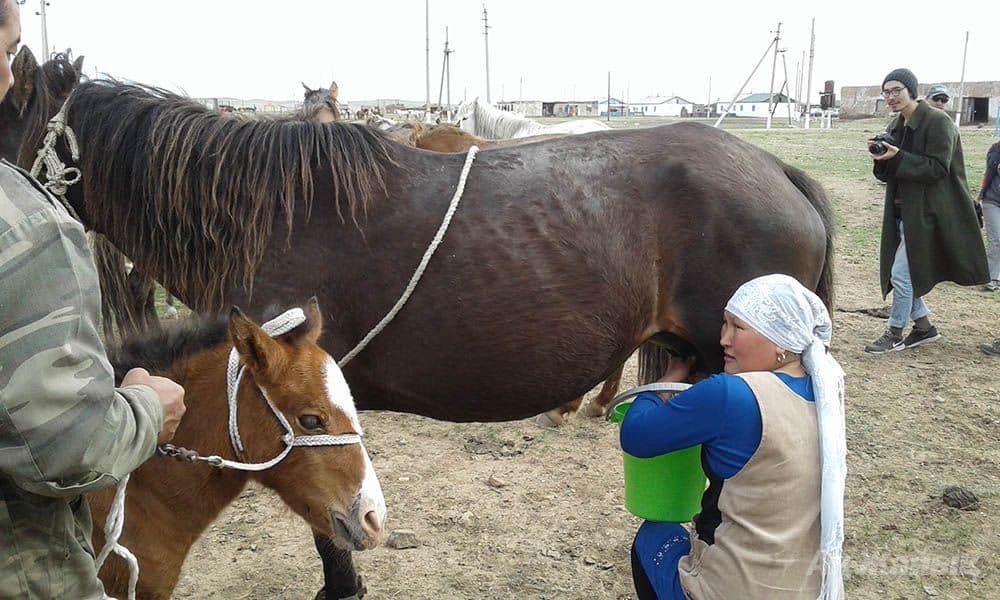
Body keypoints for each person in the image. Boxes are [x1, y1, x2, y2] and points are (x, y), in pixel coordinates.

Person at [0, 1, 186, 597]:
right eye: (6, 51)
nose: (10, 79)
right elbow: (67, 450)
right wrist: (146, 407)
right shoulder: (26, 228)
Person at [621, 274, 846, 600]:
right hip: (804, 589)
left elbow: (636, 435)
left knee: (655, 535)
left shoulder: (732, 394)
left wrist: (669, 378)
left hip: (735, 591)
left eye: (738, 327)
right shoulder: (825, 395)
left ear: (778, 339)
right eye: (724, 324)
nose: (724, 339)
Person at [864, 68, 989, 354]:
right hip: (901, 212)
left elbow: (937, 168)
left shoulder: (938, 121)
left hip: (929, 213)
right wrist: (881, 157)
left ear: (912, 90)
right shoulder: (898, 125)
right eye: (887, 92)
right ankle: (923, 328)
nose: (891, 96)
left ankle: (894, 332)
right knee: (904, 272)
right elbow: (887, 175)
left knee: (901, 273)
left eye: (897, 90)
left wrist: (899, 157)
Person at [979, 138, 1000, 291]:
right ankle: (991, 277)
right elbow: (988, 173)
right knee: (996, 239)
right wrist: (980, 195)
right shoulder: (996, 150)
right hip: (992, 200)